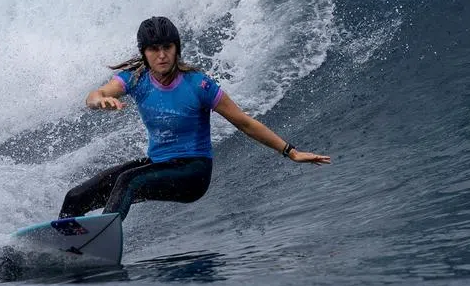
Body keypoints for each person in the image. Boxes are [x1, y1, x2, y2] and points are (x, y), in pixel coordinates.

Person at [58, 16, 331, 221]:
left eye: (167, 47)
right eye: (154, 49)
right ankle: (63, 246)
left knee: (128, 181)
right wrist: (99, 101)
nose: (162, 55)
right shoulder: (137, 79)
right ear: (144, 52)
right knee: (76, 197)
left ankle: (98, 243)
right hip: (160, 164)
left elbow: (245, 122)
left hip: (194, 173)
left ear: (177, 48)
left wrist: (290, 151)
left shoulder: (198, 85)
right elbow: (97, 94)